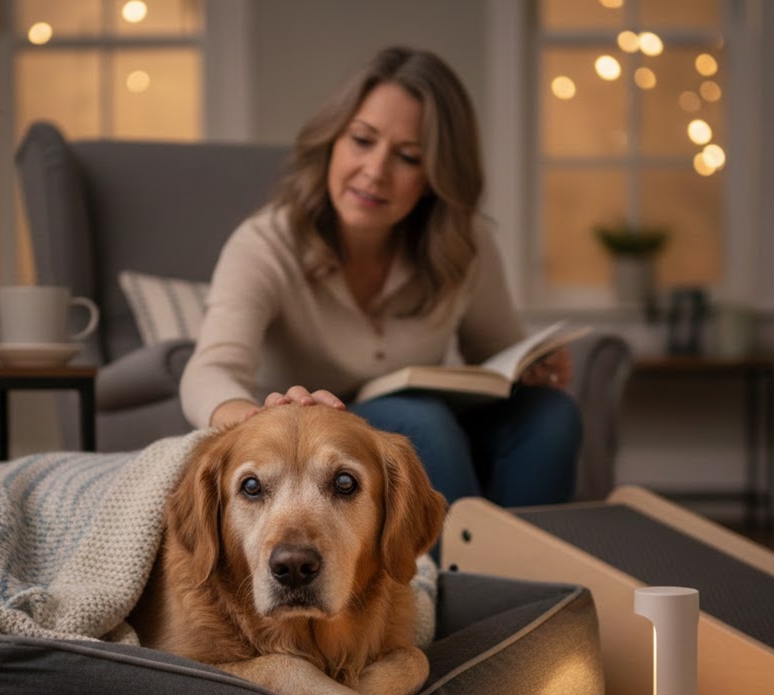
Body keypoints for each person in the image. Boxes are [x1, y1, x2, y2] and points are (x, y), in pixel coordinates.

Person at [179, 46, 581, 508]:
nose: (375, 172)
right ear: (333, 140)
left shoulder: (464, 242)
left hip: (440, 424)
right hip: (331, 439)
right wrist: (256, 418)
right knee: (417, 423)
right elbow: (210, 370)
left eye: (408, 157)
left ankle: (537, 571)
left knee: (551, 415)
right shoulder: (266, 243)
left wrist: (531, 366)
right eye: (362, 141)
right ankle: (456, 578)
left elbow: (495, 353)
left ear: (434, 175)